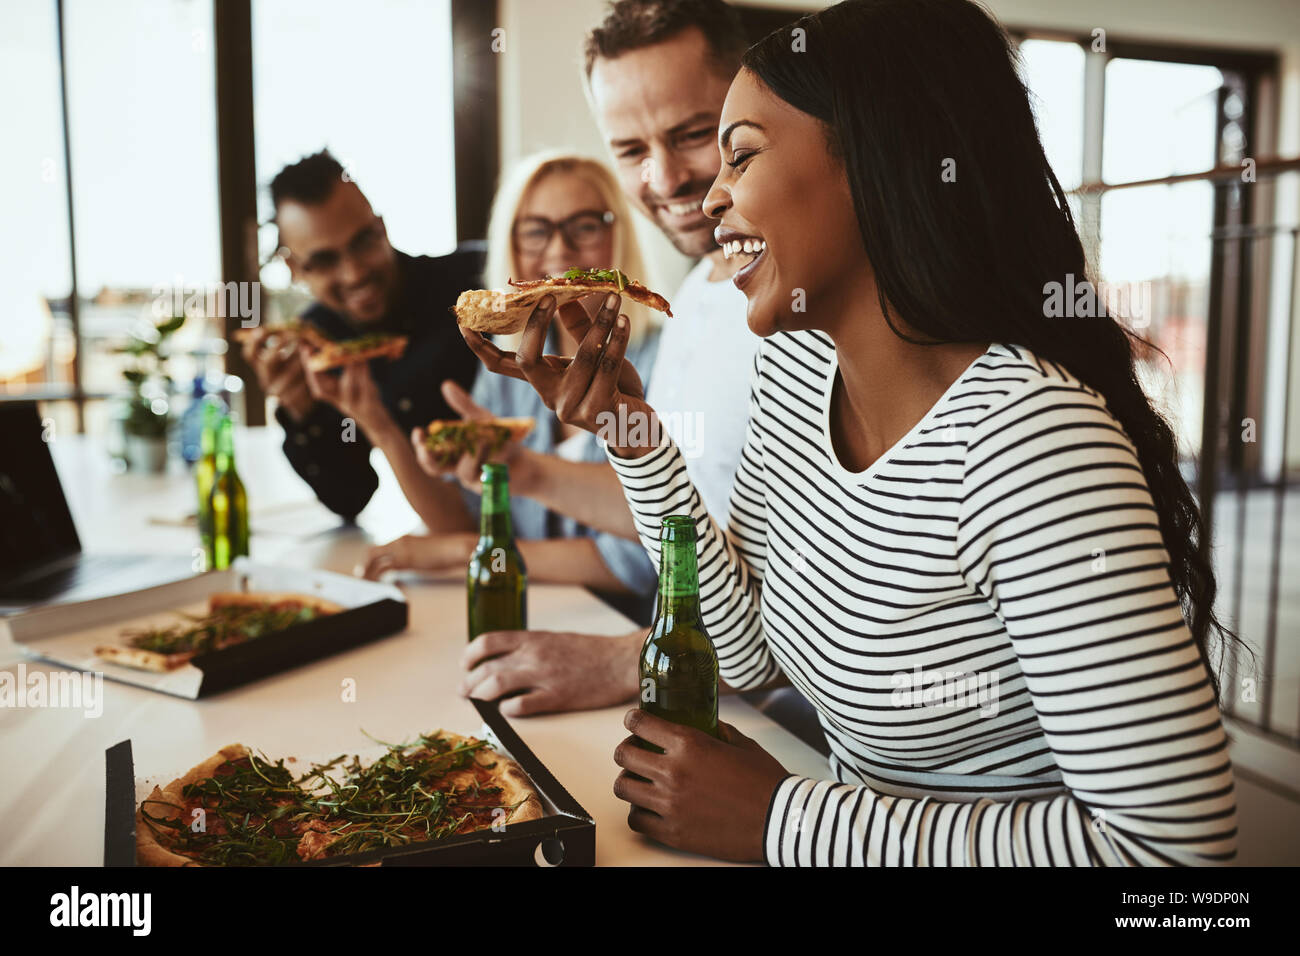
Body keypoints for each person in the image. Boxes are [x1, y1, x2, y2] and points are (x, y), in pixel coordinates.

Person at [462, 0, 1244, 866]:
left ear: (877, 162)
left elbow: (1175, 853)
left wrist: (784, 821)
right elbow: (745, 650)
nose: (708, 195)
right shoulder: (798, 376)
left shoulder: (1032, 443)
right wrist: (631, 431)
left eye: (742, 154)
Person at [448, 0, 795, 718]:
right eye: (631, 151)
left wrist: (619, 657)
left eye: (694, 134)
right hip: (711, 692)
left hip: (785, 720)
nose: (665, 179)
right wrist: (531, 465)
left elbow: (813, 597)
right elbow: (683, 514)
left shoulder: (804, 307)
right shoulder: (698, 291)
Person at [360, 152, 662, 617]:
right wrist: (456, 457)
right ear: (512, 245)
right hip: (534, 610)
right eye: (536, 230)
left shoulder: (662, 357)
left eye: (584, 226)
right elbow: (471, 517)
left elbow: (641, 561)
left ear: (617, 232)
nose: (559, 250)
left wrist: (460, 555)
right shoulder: (509, 365)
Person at [240, 149, 482, 523]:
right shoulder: (317, 342)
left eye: (362, 242)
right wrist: (300, 408)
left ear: (381, 227)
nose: (353, 274)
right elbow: (349, 496)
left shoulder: (475, 280)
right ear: (293, 267)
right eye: (323, 261)